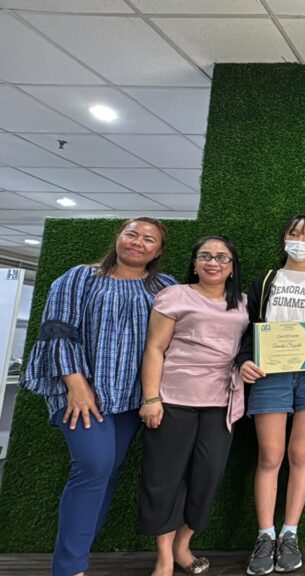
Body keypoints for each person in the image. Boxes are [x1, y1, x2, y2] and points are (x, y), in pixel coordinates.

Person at [19, 217, 175, 576]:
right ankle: (68, 567)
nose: (137, 242)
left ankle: (78, 555)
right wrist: (77, 386)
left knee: (108, 471)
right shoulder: (79, 277)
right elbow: (58, 332)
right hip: (81, 393)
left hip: (132, 398)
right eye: (131, 234)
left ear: (158, 251)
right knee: (93, 466)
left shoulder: (165, 287)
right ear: (118, 237)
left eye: (148, 239)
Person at [236, 216, 305, 576]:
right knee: (270, 456)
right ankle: (264, 535)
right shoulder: (266, 280)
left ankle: (290, 534)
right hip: (270, 373)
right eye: (294, 233)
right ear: (284, 238)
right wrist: (244, 360)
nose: (299, 240)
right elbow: (249, 329)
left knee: (300, 453)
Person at [137, 236, 250, 576]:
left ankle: (183, 545)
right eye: (205, 256)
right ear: (195, 263)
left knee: (208, 476)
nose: (213, 262)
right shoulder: (174, 296)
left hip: (221, 401)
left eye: (222, 257)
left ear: (232, 267)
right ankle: (164, 557)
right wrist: (151, 397)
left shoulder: (244, 303)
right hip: (173, 398)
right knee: (164, 477)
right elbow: (155, 348)